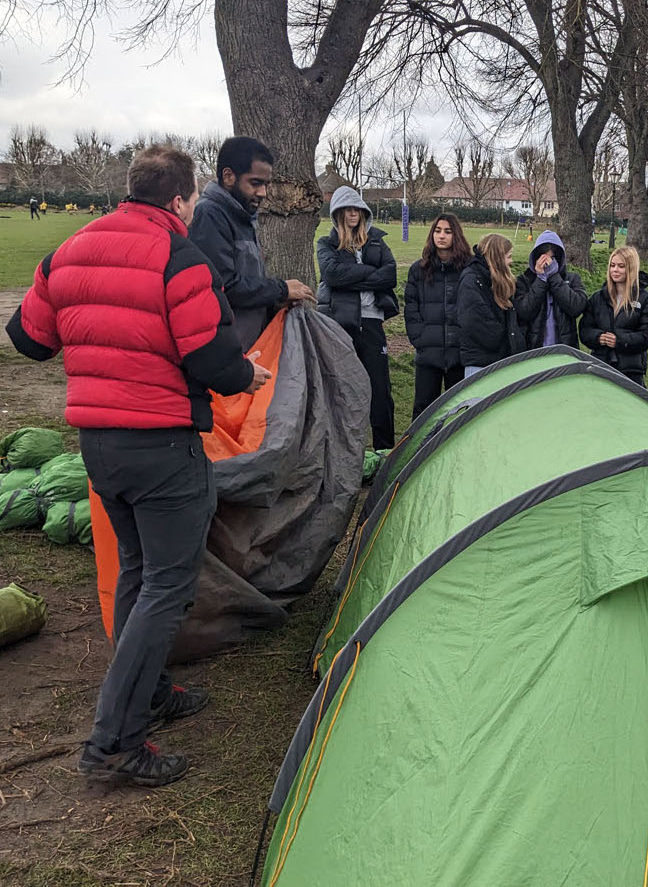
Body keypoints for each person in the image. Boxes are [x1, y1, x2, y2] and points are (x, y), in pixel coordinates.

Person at [5, 145, 269, 786]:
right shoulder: (181, 258)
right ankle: (114, 744)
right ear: (180, 199)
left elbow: (27, 339)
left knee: (138, 572)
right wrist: (247, 374)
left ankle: (148, 690)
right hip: (163, 446)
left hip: (99, 444)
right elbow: (209, 358)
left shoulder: (66, 251)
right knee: (167, 588)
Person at [189, 137, 314, 349]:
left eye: (266, 184)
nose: (263, 193)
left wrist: (276, 302)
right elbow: (222, 286)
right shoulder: (210, 214)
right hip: (225, 354)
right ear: (228, 176)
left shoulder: (243, 216)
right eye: (255, 183)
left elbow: (246, 282)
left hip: (248, 348)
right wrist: (281, 289)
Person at [315, 187, 398, 449]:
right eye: (347, 209)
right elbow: (331, 275)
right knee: (342, 389)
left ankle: (384, 450)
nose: (353, 213)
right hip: (340, 323)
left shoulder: (377, 241)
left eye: (357, 209)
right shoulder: (326, 244)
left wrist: (351, 277)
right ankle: (345, 452)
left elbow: (390, 275)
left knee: (380, 390)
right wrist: (368, 273)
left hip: (372, 321)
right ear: (338, 213)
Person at [405, 213, 470, 416]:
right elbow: (411, 306)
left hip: (459, 353)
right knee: (424, 409)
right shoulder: (419, 269)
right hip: (428, 352)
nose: (441, 236)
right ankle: (419, 449)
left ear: (455, 235)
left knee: (459, 410)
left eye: (448, 232)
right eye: (438, 230)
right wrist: (419, 337)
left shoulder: (468, 269)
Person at [578, 246, 648, 386]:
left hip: (631, 370)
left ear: (631, 268)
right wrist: (598, 337)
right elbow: (584, 329)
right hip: (600, 365)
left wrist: (620, 340)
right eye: (612, 265)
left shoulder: (646, 300)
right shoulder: (598, 298)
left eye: (621, 266)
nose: (615, 270)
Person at [457, 233, 525, 376]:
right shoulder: (472, 280)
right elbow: (476, 323)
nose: (511, 261)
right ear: (498, 258)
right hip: (480, 364)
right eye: (508, 256)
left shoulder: (498, 282)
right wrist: (505, 338)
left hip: (500, 361)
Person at [515, 230, 587, 349]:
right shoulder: (524, 281)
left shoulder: (572, 279)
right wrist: (541, 280)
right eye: (543, 258)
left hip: (564, 348)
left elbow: (576, 307)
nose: (547, 263)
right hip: (534, 349)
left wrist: (554, 277)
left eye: (552, 258)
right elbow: (524, 312)